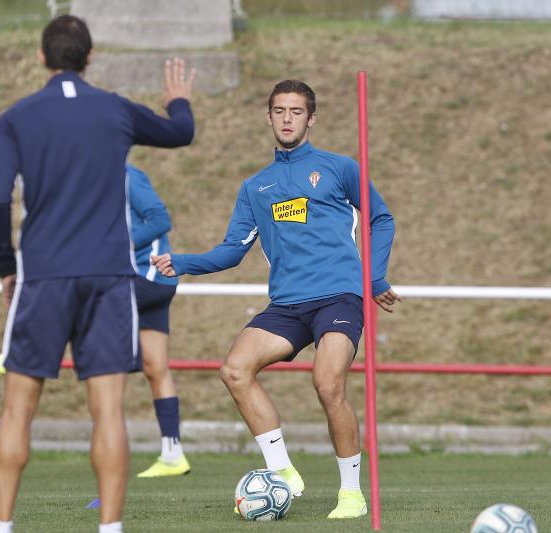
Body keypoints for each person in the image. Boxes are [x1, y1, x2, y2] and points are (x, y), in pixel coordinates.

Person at [152, 79, 402, 520]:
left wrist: (374, 276)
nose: (288, 119)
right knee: (234, 369)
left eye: (296, 111)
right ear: (269, 117)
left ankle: (350, 493)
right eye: (280, 111)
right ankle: (282, 471)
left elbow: (380, 218)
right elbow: (233, 251)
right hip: (287, 304)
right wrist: (185, 261)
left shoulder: (339, 168)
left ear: (311, 118)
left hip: (339, 298)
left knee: (327, 384)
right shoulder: (256, 187)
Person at [0, 15, 195, 533]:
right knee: (107, 410)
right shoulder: (115, 109)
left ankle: (0, 527)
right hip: (107, 279)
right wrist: (178, 101)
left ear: (42, 57)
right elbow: (180, 133)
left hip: (45, 277)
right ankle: (110, 528)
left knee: (17, 411)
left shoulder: (18, 117)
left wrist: (7, 268)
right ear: (91, 56)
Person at [127, 163, 190, 478]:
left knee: (103, 360)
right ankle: (172, 454)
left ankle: (28, 350)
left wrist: (116, 240)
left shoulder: (127, 175)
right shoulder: (88, 174)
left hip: (144, 278)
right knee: (155, 366)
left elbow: (160, 219)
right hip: (154, 283)